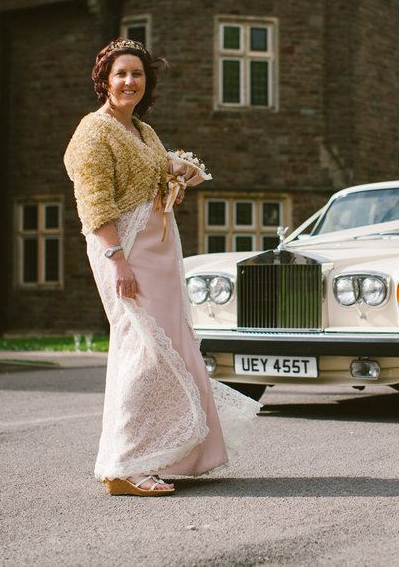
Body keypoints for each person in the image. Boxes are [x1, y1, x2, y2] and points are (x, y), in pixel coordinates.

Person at [64, 38, 259, 496]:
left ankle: (161, 455)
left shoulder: (143, 131)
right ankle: (124, 465)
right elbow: (94, 205)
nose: (130, 81)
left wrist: (181, 169)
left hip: (161, 254)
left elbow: (158, 169)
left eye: (138, 74)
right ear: (105, 81)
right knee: (143, 350)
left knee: (169, 348)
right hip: (127, 252)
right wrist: (117, 262)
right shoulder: (93, 132)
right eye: (121, 74)